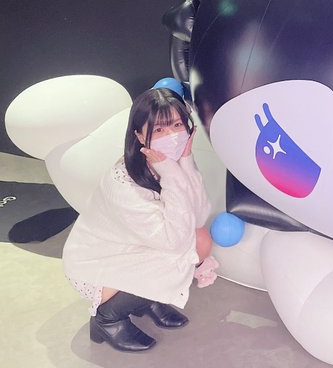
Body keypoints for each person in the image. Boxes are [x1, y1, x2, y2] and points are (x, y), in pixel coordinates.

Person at [62, 87, 218, 352]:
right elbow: (173, 241)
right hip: (96, 265)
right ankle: (107, 319)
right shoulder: (124, 183)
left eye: (177, 125)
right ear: (138, 135)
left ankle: (148, 299)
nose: (171, 136)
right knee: (180, 253)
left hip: (139, 247)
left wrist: (185, 162)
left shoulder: (167, 162)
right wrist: (172, 174)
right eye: (159, 129)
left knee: (200, 238)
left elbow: (198, 216)